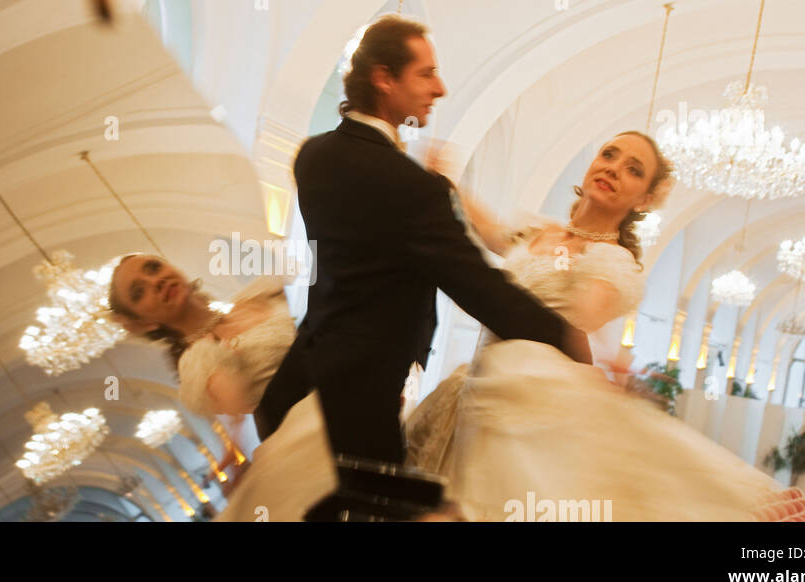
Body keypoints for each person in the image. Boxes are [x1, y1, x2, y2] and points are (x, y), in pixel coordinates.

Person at [253, 14, 590, 521]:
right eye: (426, 74)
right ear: (384, 79)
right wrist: (565, 338)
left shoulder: (313, 157)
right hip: (361, 407)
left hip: (301, 383)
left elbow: (362, 264)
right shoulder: (411, 187)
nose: (441, 87)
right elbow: (477, 286)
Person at [404, 130, 782, 521]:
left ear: (644, 199)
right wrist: (447, 178)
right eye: (609, 154)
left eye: (633, 170)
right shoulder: (538, 231)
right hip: (470, 391)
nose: (614, 168)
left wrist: (607, 356)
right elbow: (493, 234)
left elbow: (576, 320)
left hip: (528, 400)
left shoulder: (612, 260)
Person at [107, 254, 342, 521]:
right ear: (144, 323)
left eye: (154, 267)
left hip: (356, 379)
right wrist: (237, 445)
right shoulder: (198, 359)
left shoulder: (259, 295)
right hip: (319, 431)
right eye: (139, 292)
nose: (156, 281)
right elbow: (237, 407)